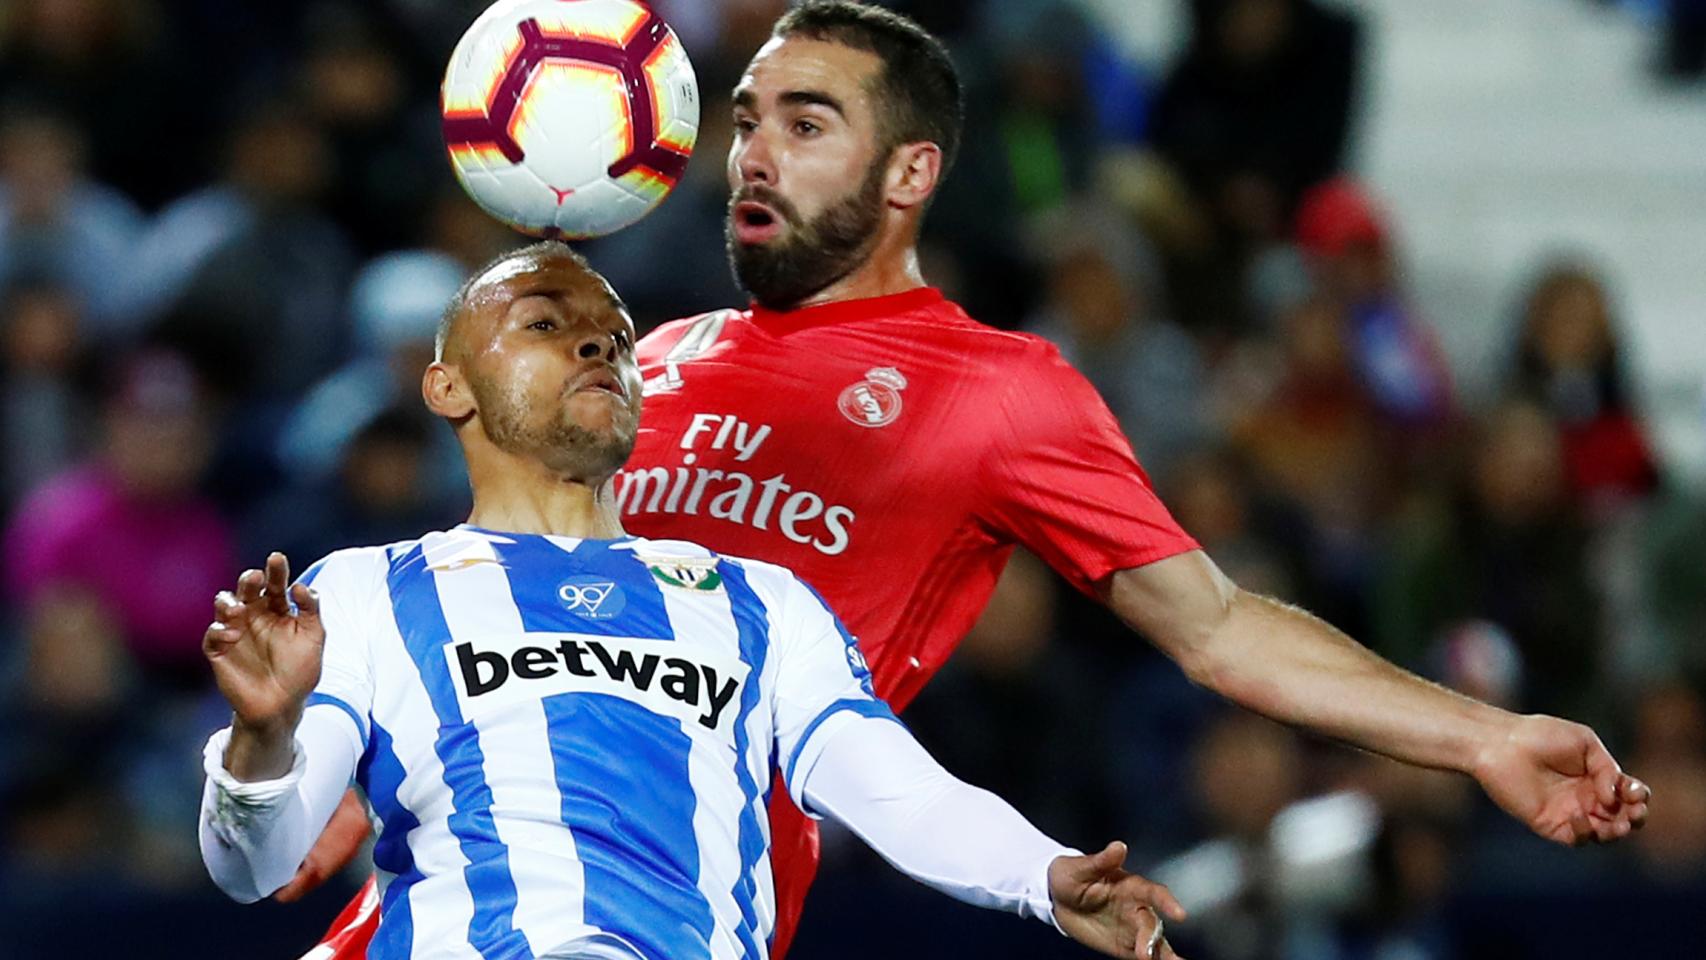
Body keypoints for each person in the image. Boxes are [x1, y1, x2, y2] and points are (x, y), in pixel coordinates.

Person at [296, 3, 1649, 958]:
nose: (753, 154)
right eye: (751, 118)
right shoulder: (653, 357)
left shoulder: (996, 392)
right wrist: (356, 761)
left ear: (909, 174)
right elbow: (490, 598)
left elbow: (1220, 631)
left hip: (682, 907)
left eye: (805, 125)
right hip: (446, 892)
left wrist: (1478, 737)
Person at [198, 246, 1184, 960]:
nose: (595, 349)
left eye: (613, 338)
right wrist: (261, 742)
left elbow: (900, 792)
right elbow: (250, 869)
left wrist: (1041, 877)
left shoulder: (757, 603)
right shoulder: (365, 592)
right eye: (546, 324)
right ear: (447, 386)